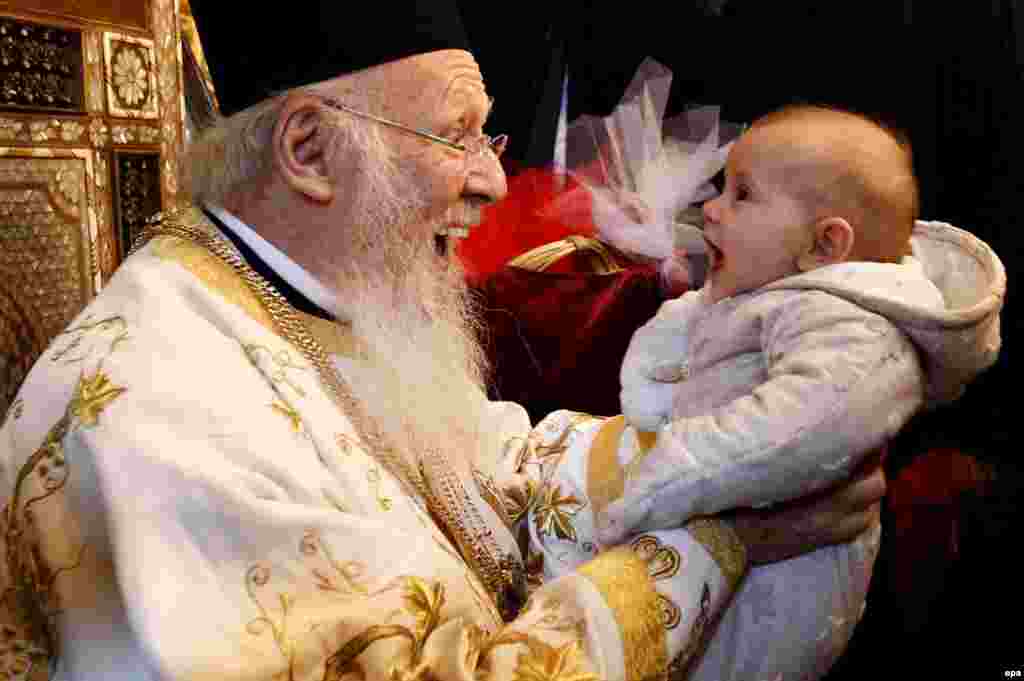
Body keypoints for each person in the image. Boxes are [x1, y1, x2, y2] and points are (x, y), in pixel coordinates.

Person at [0, 6, 889, 680]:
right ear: (307, 150)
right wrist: (722, 538)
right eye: (455, 134)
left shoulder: (315, 289)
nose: (495, 178)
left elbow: (496, 475)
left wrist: (739, 446)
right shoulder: (155, 423)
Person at [528, 105, 1005, 680]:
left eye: (742, 195)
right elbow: (690, 330)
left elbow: (795, 432)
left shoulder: (856, 330)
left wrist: (663, 474)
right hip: (717, 533)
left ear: (825, 244)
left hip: (779, 591)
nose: (711, 207)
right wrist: (654, 394)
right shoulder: (780, 290)